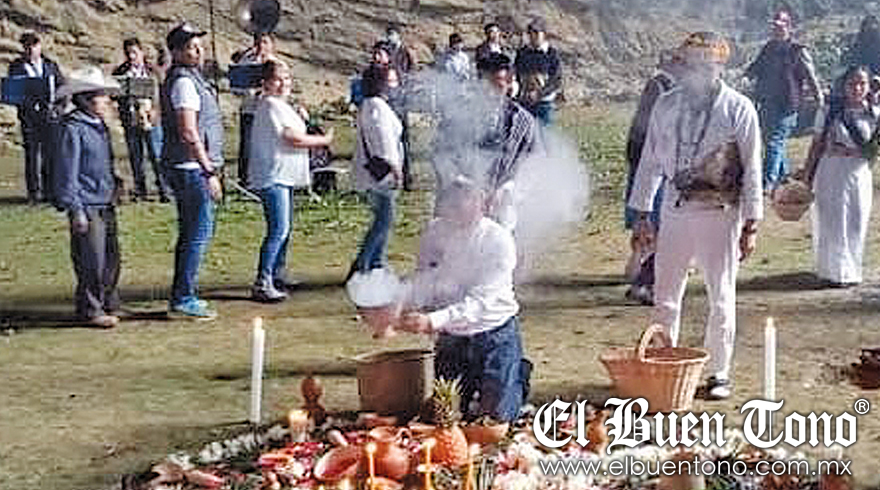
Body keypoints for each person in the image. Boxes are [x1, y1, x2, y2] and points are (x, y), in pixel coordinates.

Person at [629, 32, 763, 401]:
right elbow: (650, 161)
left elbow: (752, 167)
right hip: (675, 210)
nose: (698, 72)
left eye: (706, 65)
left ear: (719, 68)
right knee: (665, 292)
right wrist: (642, 214)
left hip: (721, 213)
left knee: (721, 294)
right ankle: (664, 360)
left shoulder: (738, 108)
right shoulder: (666, 105)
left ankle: (719, 371)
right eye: (691, 65)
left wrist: (751, 224)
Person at [399, 178, 527, 421]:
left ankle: (516, 375)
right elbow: (425, 275)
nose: (458, 211)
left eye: (466, 202)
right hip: (452, 337)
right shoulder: (434, 232)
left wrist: (432, 320)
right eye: (453, 204)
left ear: (481, 204)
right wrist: (402, 302)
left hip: (493, 332)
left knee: (494, 418)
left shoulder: (497, 240)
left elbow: (481, 301)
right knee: (447, 413)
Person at [249, 60, 334, 302]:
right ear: (266, 82)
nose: (283, 83)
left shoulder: (282, 105)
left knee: (284, 228)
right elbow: (291, 137)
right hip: (273, 175)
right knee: (278, 229)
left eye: (286, 78)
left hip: (285, 175)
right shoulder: (270, 104)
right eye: (277, 79)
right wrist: (322, 141)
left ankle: (278, 272)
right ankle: (262, 280)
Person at [160, 22, 224, 319]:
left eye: (199, 46)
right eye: (190, 47)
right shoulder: (184, 82)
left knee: (193, 231)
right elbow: (188, 131)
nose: (198, 51)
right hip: (190, 167)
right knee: (197, 233)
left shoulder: (193, 78)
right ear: (176, 52)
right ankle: (184, 297)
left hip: (191, 165)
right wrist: (208, 171)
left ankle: (184, 293)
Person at [53, 67, 123, 329]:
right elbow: (67, 170)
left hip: (105, 199)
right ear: (85, 99)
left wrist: (115, 181)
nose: (107, 100)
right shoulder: (72, 129)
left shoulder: (99, 126)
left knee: (111, 256)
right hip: (87, 202)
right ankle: (90, 308)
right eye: (101, 95)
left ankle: (107, 302)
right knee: (91, 258)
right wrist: (75, 209)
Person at [801, 66, 878, 287]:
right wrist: (807, 174)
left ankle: (851, 270)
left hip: (859, 173)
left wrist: (858, 153)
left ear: (868, 86)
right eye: (852, 84)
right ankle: (834, 272)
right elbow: (816, 144)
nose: (857, 88)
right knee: (833, 221)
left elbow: (873, 149)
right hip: (831, 170)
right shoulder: (829, 111)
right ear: (844, 86)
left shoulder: (874, 113)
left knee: (856, 221)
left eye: (862, 84)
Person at [623, 50, 684, 305]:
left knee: (660, 228)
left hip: (652, 162)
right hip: (652, 164)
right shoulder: (660, 88)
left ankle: (642, 275)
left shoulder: (667, 87)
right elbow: (650, 130)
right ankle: (644, 280)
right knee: (658, 227)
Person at [744, 9, 823, 191]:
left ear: (788, 27)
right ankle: (783, 176)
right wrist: (747, 76)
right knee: (771, 140)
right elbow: (756, 66)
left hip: (787, 105)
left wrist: (819, 98)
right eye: (774, 26)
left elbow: (810, 75)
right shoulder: (769, 48)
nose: (776, 29)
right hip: (766, 103)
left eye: (780, 25)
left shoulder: (798, 51)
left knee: (774, 141)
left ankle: (768, 183)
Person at [349, 63, 403, 276]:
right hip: (381, 173)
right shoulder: (376, 106)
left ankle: (376, 262)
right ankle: (364, 263)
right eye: (391, 81)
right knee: (384, 219)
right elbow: (383, 139)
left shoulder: (372, 104)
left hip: (378, 172)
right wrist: (395, 168)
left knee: (384, 219)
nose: (395, 85)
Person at [480, 53, 538, 231]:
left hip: (503, 210)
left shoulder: (524, 121)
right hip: (462, 213)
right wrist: (467, 189)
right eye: (485, 82)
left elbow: (533, 164)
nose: (490, 90)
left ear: (509, 82)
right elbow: (443, 156)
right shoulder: (459, 115)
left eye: (497, 82)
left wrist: (507, 191)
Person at [7, 32, 64, 204]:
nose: (31, 50)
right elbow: (13, 91)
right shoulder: (16, 67)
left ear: (39, 46)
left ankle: (50, 191)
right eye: (27, 47)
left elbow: (62, 87)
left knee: (51, 154)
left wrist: (59, 108)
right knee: (32, 155)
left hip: (50, 116)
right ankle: (34, 193)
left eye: (33, 46)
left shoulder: (50, 65)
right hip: (29, 118)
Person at [112, 37, 169, 202]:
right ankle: (140, 190)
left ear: (142, 52)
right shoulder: (120, 72)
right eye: (128, 53)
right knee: (135, 157)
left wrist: (156, 110)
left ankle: (164, 189)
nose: (131, 57)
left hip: (151, 119)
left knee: (156, 155)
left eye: (134, 53)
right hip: (131, 119)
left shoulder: (153, 71)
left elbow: (163, 94)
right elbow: (114, 95)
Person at [233, 32, 276, 188]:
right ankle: (245, 180)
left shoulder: (276, 64)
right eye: (258, 43)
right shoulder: (246, 61)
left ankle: (267, 177)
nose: (261, 46)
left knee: (268, 145)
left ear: (271, 45)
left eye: (265, 42)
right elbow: (236, 88)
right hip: (250, 110)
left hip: (269, 110)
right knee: (247, 145)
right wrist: (248, 91)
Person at [514, 18, 562, 126]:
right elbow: (517, 75)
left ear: (544, 34)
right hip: (525, 102)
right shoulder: (522, 53)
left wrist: (539, 94)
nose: (533, 36)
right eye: (530, 33)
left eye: (536, 32)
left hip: (544, 104)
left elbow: (556, 80)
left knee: (544, 133)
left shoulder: (551, 54)